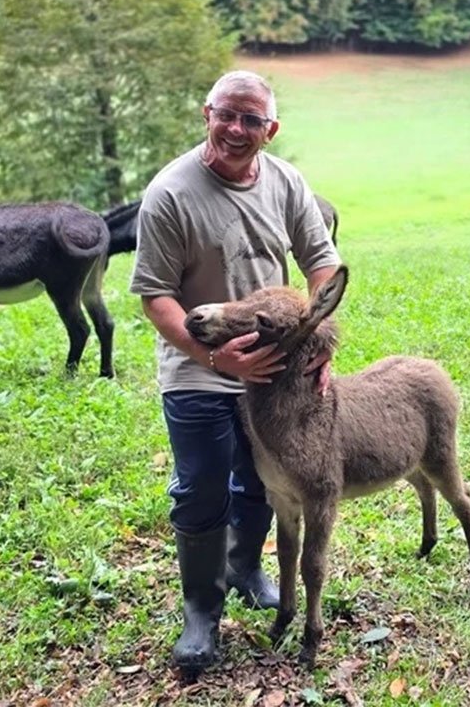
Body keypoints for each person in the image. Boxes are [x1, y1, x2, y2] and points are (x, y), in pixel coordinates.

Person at [129, 70, 341, 676]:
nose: (237, 129)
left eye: (252, 120)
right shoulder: (171, 192)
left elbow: (323, 264)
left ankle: (246, 567)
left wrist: (319, 340)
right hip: (199, 367)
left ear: (270, 131)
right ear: (207, 114)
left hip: (273, 368)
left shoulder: (285, 182)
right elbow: (155, 296)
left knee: (264, 481)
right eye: (227, 114)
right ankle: (201, 610)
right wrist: (215, 358)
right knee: (201, 487)